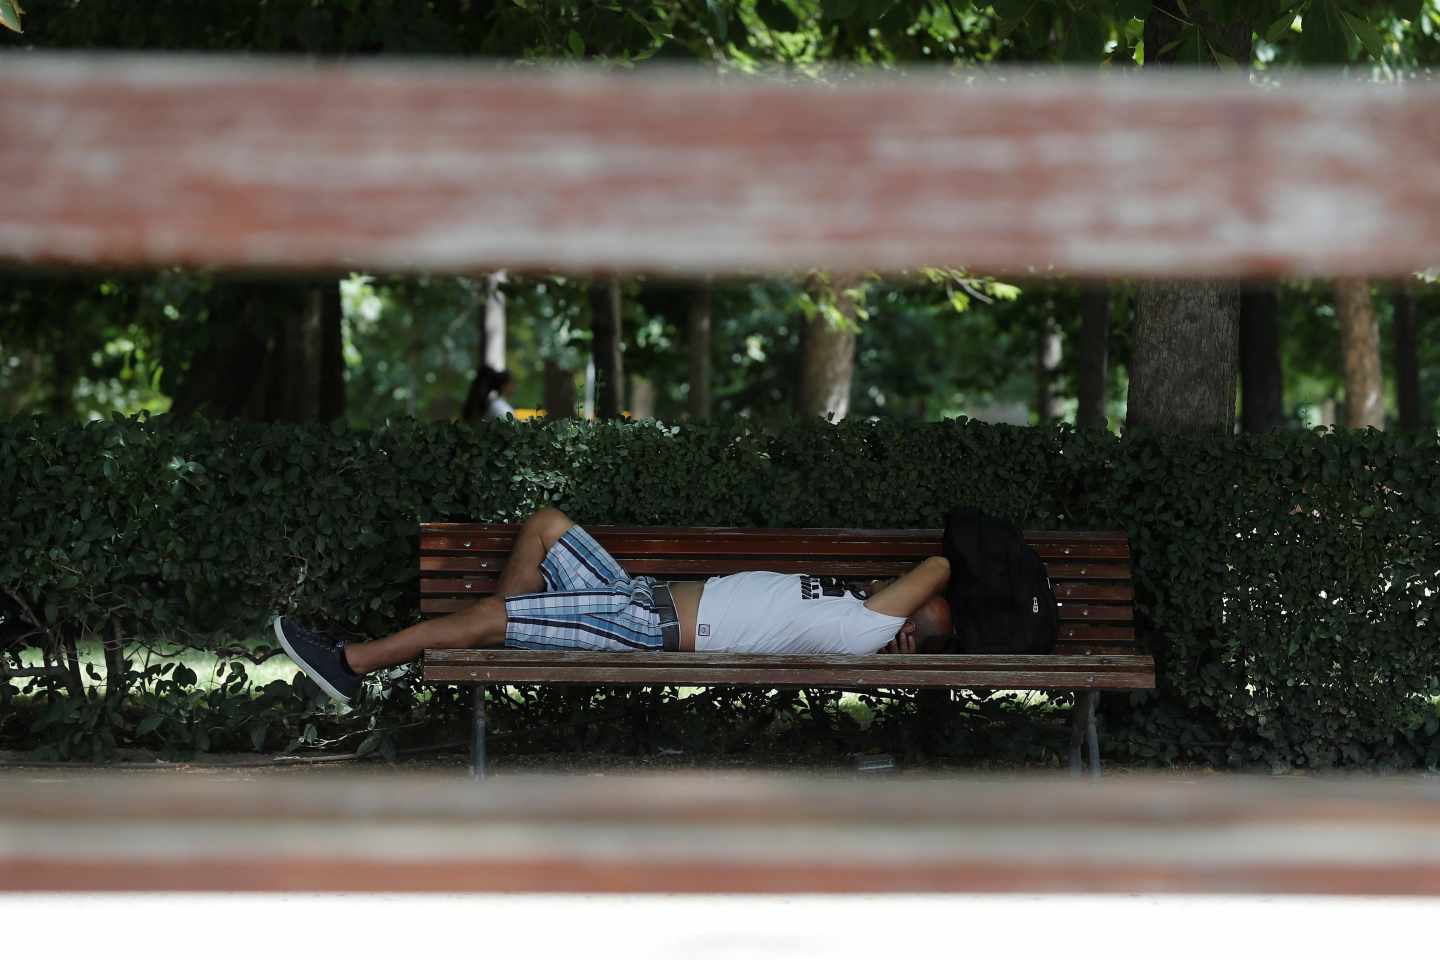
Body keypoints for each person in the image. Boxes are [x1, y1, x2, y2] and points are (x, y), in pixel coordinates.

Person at [274, 507, 953, 704]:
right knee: (546, 525)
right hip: (636, 597)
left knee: (491, 618)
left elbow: (939, 564)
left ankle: (350, 664)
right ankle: (510, 629)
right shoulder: (859, 609)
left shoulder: (867, 628)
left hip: (642, 629)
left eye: (927, 614)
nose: (923, 603)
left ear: (909, 625)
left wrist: (935, 607)